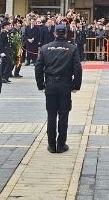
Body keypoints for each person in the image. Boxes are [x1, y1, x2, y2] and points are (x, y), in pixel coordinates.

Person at [35, 24, 82, 153]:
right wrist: (76, 85)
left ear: (55, 33)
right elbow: (77, 68)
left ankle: (51, 145)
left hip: (50, 84)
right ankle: (61, 145)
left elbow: (38, 67)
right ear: (66, 34)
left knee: (51, 115)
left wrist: (40, 85)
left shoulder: (45, 48)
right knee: (63, 115)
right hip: (65, 84)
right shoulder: (72, 48)